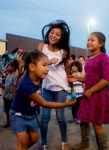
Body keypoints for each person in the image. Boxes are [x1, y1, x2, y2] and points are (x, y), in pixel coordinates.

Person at [9, 51, 76, 150]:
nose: (47, 69)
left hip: (31, 115)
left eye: (47, 66)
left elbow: (38, 65)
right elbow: (44, 103)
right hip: (18, 115)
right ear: (32, 67)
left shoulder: (38, 76)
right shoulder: (27, 85)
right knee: (22, 142)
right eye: (44, 65)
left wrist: (50, 62)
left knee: (34, 139)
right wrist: (65, 104)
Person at [68, 32, 109, 150]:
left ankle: (103, 148)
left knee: (97, 124)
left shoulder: (104, 57)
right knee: (83, 119)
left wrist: (91, 90)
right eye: (88, 40)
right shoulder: (88, 59)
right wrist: (77, 78)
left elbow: (107, 79)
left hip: (98, 95)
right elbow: (89, 78)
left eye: (92, 40)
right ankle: (84, 143)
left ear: (101, 43)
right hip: (88, 94)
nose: (89, 42)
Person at [37, 20, 74, 150]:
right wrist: (47, 61)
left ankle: (64, 141)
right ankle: (44, 143)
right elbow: (34, 61)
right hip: (46, 87)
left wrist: (72, 87)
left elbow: (67, 70)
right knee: (44, 117)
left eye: (58, 34)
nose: (53, 36)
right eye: (52, 32)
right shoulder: (42, 46)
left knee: (60, 117)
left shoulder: (64, 51)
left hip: (60, 88)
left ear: (62, 37)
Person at [2, 59, 19, 129]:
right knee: (7, 111)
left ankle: (13, 124)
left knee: (12, 112)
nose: (7, 67)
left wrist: (14, 97)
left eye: (8, 66)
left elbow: (14, 86)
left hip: (11, 97)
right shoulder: (8, 74)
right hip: (6, 96)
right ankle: (8, 123)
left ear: (13, 67)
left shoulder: (15, 75)